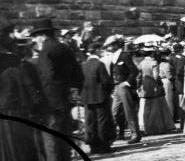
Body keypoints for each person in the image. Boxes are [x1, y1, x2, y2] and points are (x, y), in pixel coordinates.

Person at [31, 18, 84, 160]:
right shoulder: (65, 48)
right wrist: (71, 92)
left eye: (36, 38)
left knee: (51, 140)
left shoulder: (46, 51)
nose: (36, 41)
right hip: (66, 101)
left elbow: (47, 77)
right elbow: (78, 75)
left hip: (51, 104)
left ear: (41, 36)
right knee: (65, 138)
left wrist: (44, 99)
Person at [0, 18, 44, 161]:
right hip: (12, 113)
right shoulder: (13, 62)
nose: (13, 37)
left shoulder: (14, 61)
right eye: (8, 33)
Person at [80, 43, 116, 153]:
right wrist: (109, 91)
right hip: (100, 97)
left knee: (90, 122)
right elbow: (106, 82)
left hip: (87, 98)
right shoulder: (99, 64)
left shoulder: (83, 65)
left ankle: (93, 146)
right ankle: (104, 146)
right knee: (102, 122)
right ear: (96, 51)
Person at [136, 45, 175, 135]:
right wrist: (160, 85)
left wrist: (138, 87)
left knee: (146, 108)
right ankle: (157, 127)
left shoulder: (141, 63)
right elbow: (156, 76)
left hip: (144, 87)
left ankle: (146, 127)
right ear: (152, 53)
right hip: (154, 87)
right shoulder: (154, 62)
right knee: (157, 108)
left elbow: (138, 77)